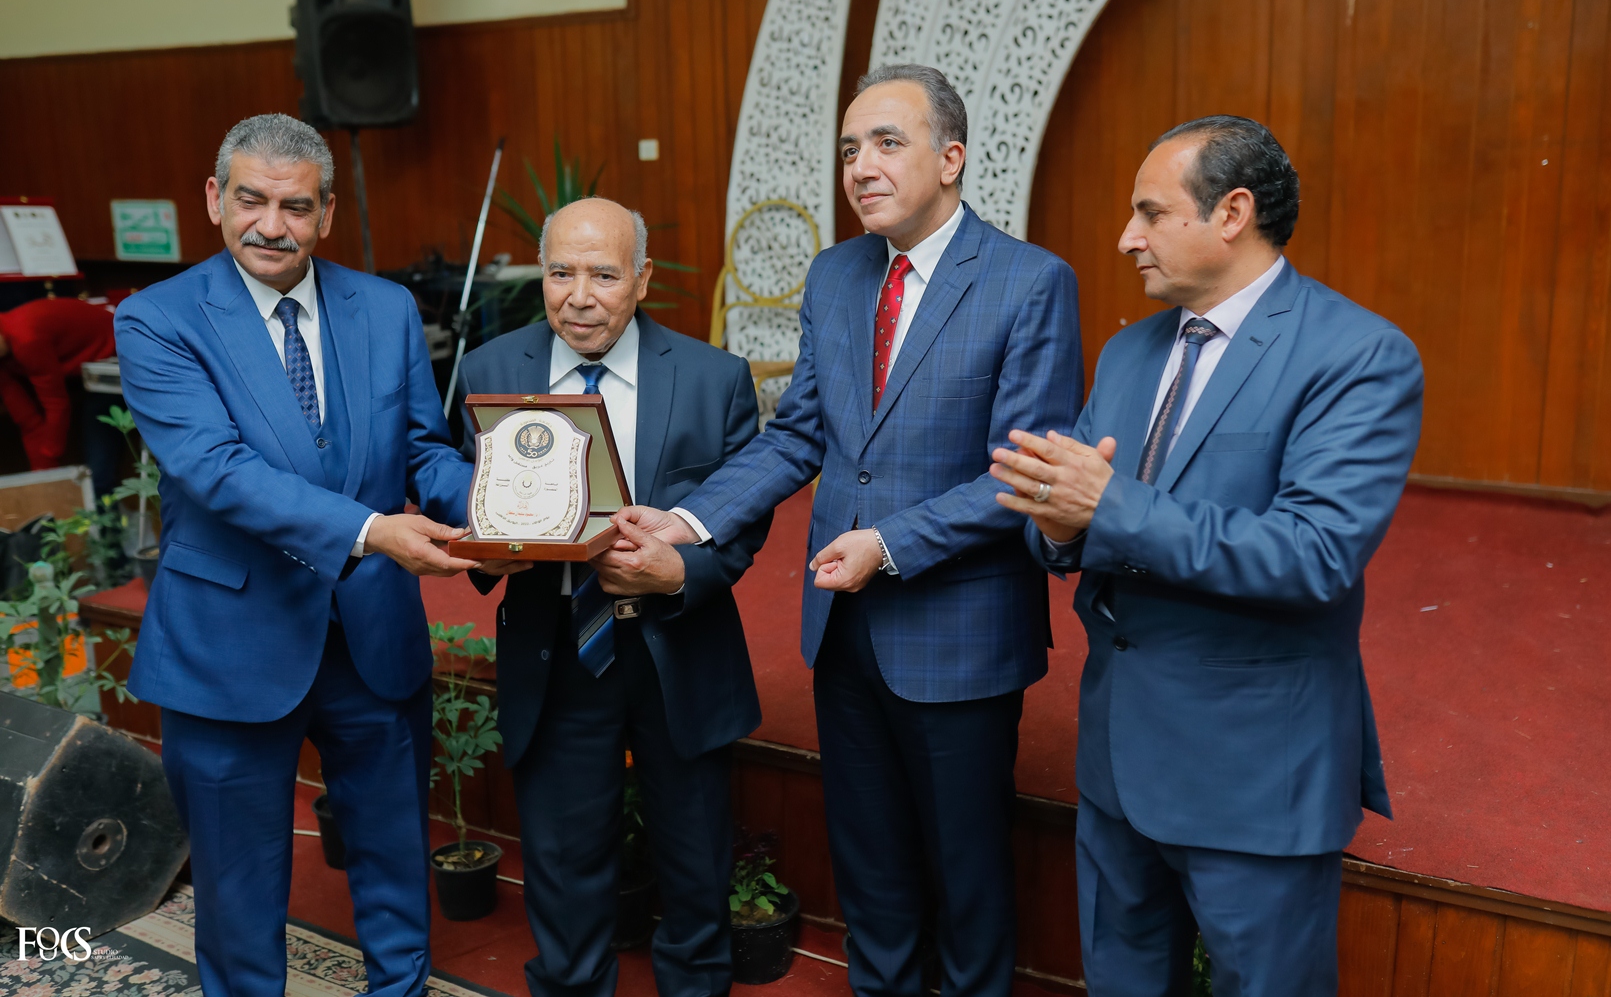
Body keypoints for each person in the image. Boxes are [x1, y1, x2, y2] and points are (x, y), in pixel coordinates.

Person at [619, 64, 1083, 997]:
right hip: (841, 627)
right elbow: (799, 434)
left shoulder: (1029, 281)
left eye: (885, 143)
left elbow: (1024, 472)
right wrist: (690, 518)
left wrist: (891, 543)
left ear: (950, 158)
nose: (860, 166)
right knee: (869, 866)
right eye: (848, 149)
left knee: (966, 876)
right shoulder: (835, 275)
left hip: (958, 632)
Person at [990, 116, 1423, 995]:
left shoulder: (1357, 354)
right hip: (1116, 764)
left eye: (1150, 213)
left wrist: (1105, 505)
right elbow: (1064, 522)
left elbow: (1314, 554)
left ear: (1232, 212)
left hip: (1253, 774)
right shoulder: (1127, 352)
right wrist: (1058, 525)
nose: (1127, 238)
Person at [114, 114, 510, 997]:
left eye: (295, 207)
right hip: (230, 640)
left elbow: (422, 451)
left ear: (326, 213)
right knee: (238, 891)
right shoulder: (157, 319)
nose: (271, 225)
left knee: (395, 860)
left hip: (372, 634)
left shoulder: (386, 308)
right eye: (250, 200)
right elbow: (218, 470)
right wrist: (372, 531)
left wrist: (506, 514)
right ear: (215, 198)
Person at [453, 197, 771, 997]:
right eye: (560, 273)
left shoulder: (713, 378)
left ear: (642, 277)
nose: (579, 296)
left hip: (677, 647)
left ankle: (695, 985)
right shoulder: (492, 370)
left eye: (602, 274)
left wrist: (681, 573)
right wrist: (492, 540)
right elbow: (462, 483)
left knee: (694, 857)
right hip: (556, 643)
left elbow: (743, 518)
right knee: (563, 863)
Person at [0, 295, 119, 495]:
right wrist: (43, 475)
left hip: (111, 353)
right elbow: (27, 420)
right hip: (71, 368)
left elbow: (57, 404)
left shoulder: (27, 339)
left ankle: (105, 508)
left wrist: (49, 455)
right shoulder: (5, 354)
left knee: (98, 424)